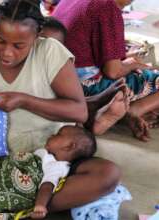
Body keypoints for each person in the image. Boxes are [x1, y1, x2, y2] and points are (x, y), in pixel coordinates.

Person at [0, 0, 120, 214]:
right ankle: (27, 201)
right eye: (0, 40)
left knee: (108, 174)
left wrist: (24, 100)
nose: (6, 53)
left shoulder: (50, 51)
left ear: (37, 35)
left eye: (18, 45)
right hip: (3, 159)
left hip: (52, 155)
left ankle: (8, 201)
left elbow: (79, 111)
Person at [53, 0, 159, 141]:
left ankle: (105, 112)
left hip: (58, 82)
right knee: (150, 75)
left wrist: (125, 60)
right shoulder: (107, 7)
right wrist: (132, 64)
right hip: (85, 88)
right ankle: (133, 110)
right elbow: (113, 72)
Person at [39, 17, 130, 135]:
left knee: (70, 107)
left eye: (55, 49)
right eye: (42, 45)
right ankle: (91, 112)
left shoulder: (59, 69)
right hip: (46, 116)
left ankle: (91, 114)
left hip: (64, 110)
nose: (48, 52)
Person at [31, 125, 96, 219]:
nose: (52, 135)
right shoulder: (47, 155)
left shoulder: (58, 166)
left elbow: (47, 185)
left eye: (58, 134)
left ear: (69, 146)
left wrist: (40, 206)